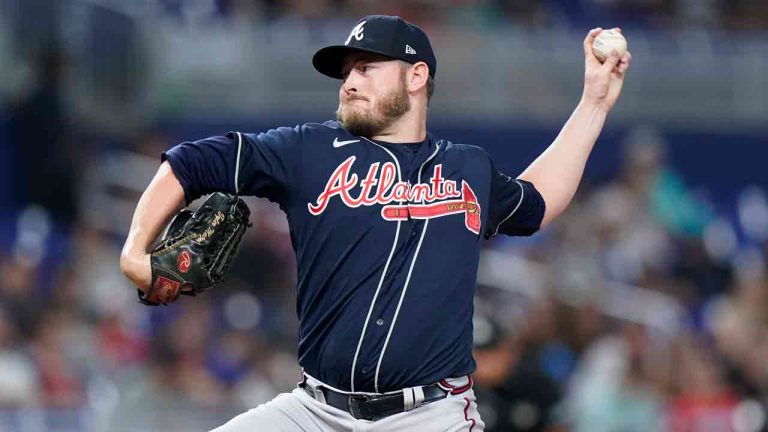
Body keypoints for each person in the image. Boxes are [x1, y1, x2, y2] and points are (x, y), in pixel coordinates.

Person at [120, 15, 631, 432]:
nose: (349, 82)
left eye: (366, 67)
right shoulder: (310, 150)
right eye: (347, 73)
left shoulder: (467, 168)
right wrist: (135, 250)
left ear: (416, 76)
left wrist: (594, 103)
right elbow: (192, 162)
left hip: (433, 416)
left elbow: (537, 202)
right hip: (315, 412)